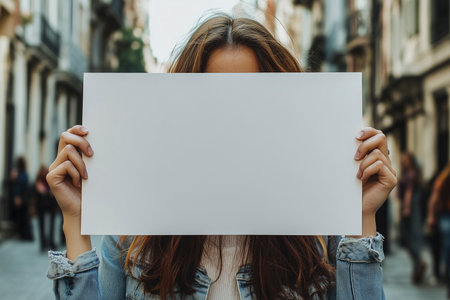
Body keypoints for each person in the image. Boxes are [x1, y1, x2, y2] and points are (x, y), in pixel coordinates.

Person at [46, 15, 397, 300]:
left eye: (253, 102)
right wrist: (76, 224)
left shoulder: (321, 240)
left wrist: (359, 218)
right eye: (211, 102)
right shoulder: (132, 239)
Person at [397, 152, 426, 284]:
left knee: (411, 238)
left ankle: (418, 265)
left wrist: (406, 209)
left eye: (405, 159)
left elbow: (408, 192)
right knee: (411, 239)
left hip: (411, 209)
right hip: (413, 209)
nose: (403, 161)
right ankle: (418, 265)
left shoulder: (410, 174)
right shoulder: (412, 173)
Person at [427, 164, 450, 297]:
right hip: (445, 215)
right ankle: (446, 274)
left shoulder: (443, 177)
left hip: (445, 216)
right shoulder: (444, 178)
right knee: (447, 247)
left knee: (447, 247)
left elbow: (433, 199)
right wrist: (431, 216)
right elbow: (434, 199)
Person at [34, 166, 57, 251]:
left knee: (51, 225)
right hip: (41, 206)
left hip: (50, 205)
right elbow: (36, 194)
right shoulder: (38, 182)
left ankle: (50, 242)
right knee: (42, 225)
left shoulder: (48, 181)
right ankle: (43, 243)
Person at [10, 156, 32, 241]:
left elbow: (17, 186)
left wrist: (17, 196)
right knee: (24, 216)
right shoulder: (25, 174)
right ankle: (24, 234)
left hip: (20, 197)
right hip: (25, 197)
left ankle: (22, 234)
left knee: (21, 216)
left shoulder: (18, 174)